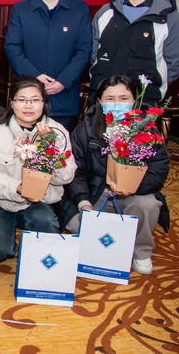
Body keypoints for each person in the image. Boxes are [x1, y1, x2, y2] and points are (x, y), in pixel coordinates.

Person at [58, 75, 169, 275]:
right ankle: (110, 234)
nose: (117, 104)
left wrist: (133, 187)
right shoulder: (85, 130)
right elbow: (77, 171)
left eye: (124, 98)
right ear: (100, 101)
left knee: (147, 205)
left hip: (131, 194)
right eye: (110, 98)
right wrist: (83, 202)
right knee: (74, 221)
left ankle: (141, 251)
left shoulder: (147, 130)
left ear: (134, 100)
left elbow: (158, 169)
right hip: (95, 193)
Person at [0, 76, 76, 262]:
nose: (28, 106)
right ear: (12, 102)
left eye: (35, 100)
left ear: (44, 102)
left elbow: (67, 176)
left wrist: (48, 150)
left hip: (39, 202)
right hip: (0, 201)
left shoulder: (57, 131)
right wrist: (18, 187)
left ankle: (34, 240)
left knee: (44, 223)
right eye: (22, 100)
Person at [5, 0, 93, 132]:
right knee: (24, 145)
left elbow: (84, 50)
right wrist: (35, 78)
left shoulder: (79, 9)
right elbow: (12, 47)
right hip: (28, 96)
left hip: (65, 95)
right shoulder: (20, 9)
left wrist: (63, 81)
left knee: (62, 144)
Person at [90, 0, 179, 106]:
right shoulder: (106, 12)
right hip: (104, 97)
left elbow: (173, 61)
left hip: (145, 100)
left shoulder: (168, 17)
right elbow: (93, 52)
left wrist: (155, 86)